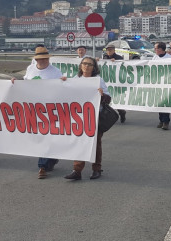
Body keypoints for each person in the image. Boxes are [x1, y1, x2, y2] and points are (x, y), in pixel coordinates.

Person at [63, 57, 110, 180]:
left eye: (89, 64)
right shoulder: (75, 80)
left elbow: (108, 98)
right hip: (79, 117)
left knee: (96, 144)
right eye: (84, 63)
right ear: (80, 66)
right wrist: (62, 82)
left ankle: (96, 169)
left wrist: (102, 95)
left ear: (94, 67)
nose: (86, 66)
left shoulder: (98, 80)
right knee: (79, 142)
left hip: (95, 116)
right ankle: (77, 170)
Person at [22, 46, 64, 178]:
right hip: (34, 109)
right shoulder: (30, 69)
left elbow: (62, 89)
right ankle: (51, 158)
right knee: (39, 137)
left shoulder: (55, 72)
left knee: (46, 135)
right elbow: (24, 84)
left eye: (45, 59)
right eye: (40, 59)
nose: (43, 61)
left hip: (50, 109)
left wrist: (63, 82)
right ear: (36, 60)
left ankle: (42, 166)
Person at [103, 44, 126, 123]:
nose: (109, 51)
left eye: (110, 50)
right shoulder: (105, 57)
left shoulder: (119, 58)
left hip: (116, 82)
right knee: (106, 100)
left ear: (114, 50)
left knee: (116, 99)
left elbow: (123, 67)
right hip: (107, 82)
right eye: (107, 50)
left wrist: (115, 62)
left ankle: (122, 113)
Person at [153, 42, 171, 129]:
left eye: (155, 48)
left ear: (160, 49)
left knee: (165, 103)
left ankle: (166, 122)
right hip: (157, 83)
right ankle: (161, 120)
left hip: (166, 83)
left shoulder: (169, 58)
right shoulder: (155, 57)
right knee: (159, 103)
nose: (154, 50)